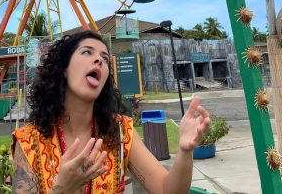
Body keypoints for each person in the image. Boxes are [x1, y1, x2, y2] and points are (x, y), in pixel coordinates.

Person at [11, 30, 210, 193]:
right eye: (87, 52)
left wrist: (185, 151)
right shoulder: (29, 140)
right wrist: (63, 189)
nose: (99, 60)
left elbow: (167, 191)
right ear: (63, 67)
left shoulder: (120, 131)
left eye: (105, 58)